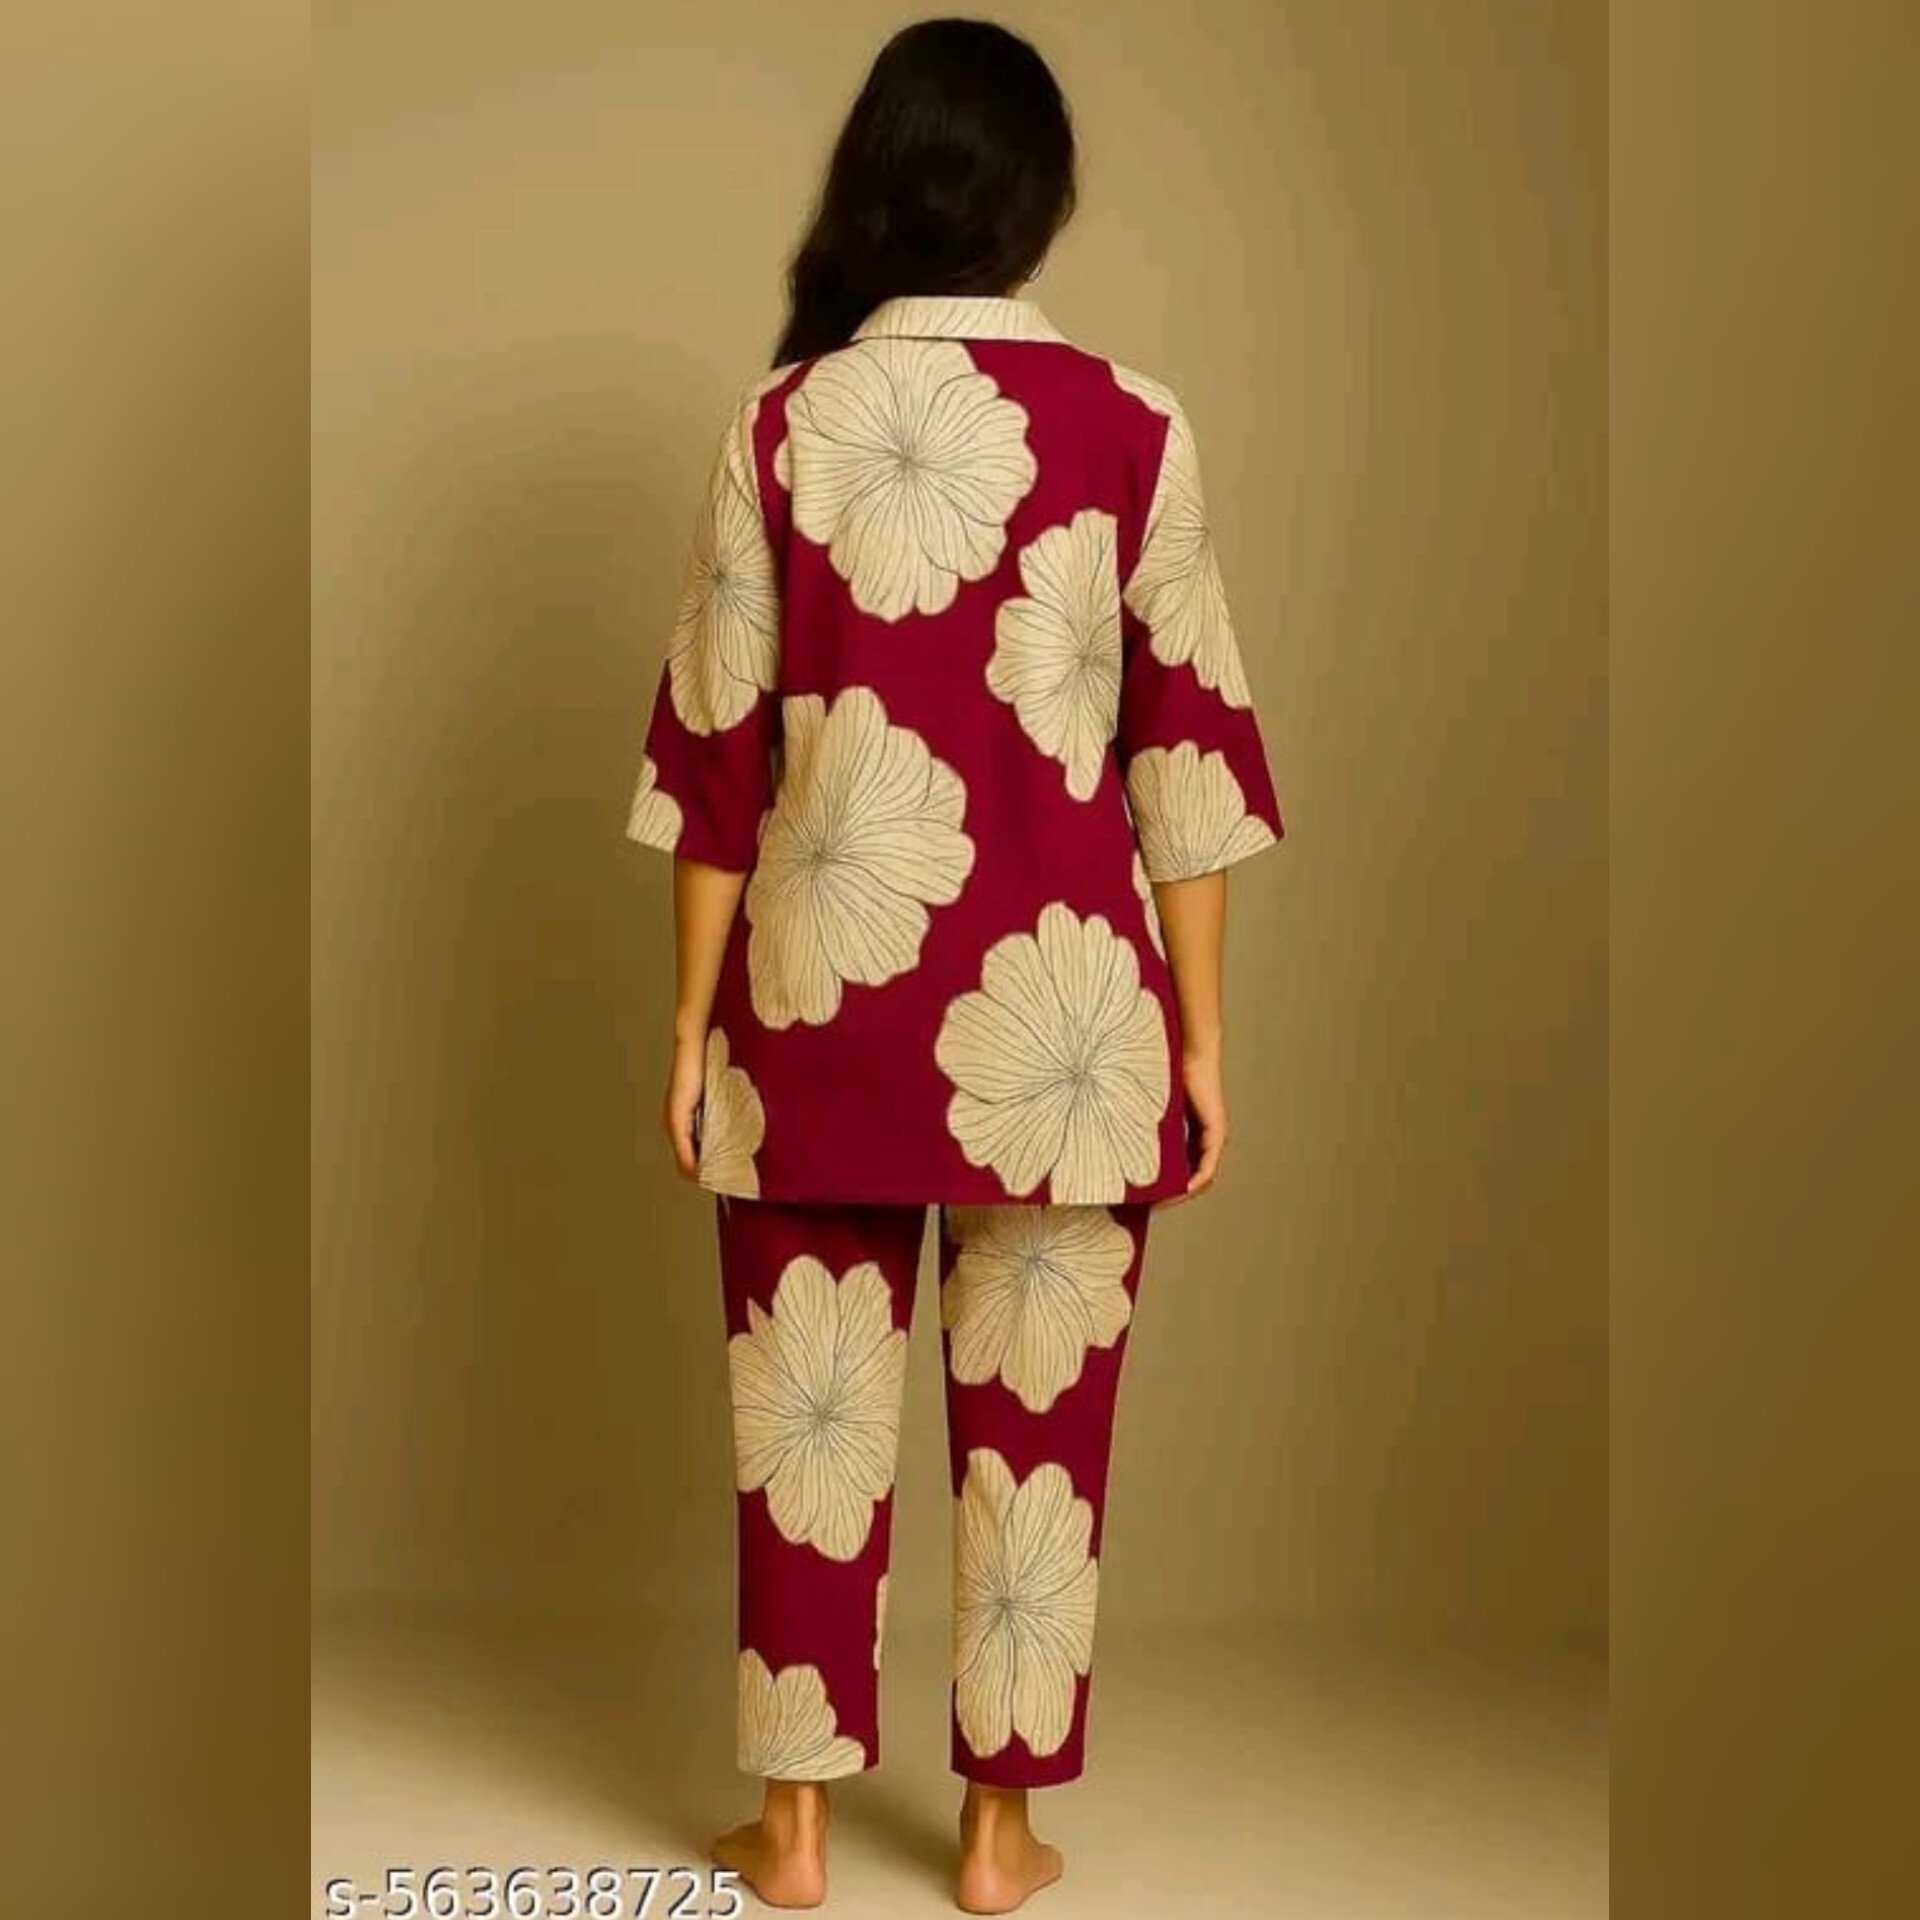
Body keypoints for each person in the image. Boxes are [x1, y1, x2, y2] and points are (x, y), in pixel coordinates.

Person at [625, 17, 1283, 1912]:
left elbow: (717, 762)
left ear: (879, 184)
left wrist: (691, 1030)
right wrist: (1203, 1041)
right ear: (1038, 203)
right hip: (1068, 1030)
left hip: (816, 1015)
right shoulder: (1138, 426)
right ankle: (997, 1839)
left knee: (803, 1426)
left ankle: (795, 1834)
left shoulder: (776, 425)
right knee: (1044, 1446)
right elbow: (1188, 760)